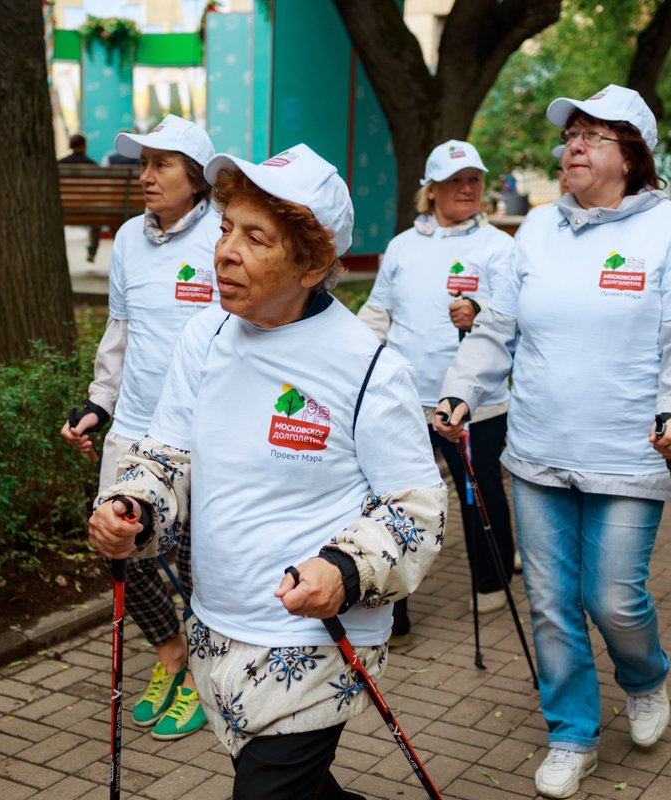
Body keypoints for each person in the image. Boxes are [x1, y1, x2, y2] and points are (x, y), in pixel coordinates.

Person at [86, 143, 447, 799]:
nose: (225, 251)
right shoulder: (205, 338)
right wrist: (135, 509)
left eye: (256, 238)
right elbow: (164, 459)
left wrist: (343, 569)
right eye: (226, 229)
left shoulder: (368, 367)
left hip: (314, 637)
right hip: (218, 623)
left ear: (311, 263)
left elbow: (416, 510)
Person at [434, 84, 671, 799]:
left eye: (594, 135)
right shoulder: (536, 229)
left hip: (630, 450)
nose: (575, 146)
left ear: (633, 154)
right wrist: (463, 387)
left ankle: (646, 678)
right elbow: (498, 325)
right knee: (553, 603)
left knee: (615, 598)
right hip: (535, 451)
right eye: (571, 136)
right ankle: (572, 734)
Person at [60, 114, 219, 741]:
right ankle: (173, 655)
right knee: (120, 549)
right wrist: (99, 402)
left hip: (202, 433)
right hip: (134, 428)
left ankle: (207, 676)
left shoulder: (222, 237)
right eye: (143, 163)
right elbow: (121, 333)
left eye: (162, 164)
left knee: (204, 563)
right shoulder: (128, 237)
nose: (145, 176)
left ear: (199, 178)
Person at [357, 139, 516, 646]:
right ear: (432, 191)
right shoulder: (403, 246)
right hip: (407, 398)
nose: (466, 188)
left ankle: (492, 582)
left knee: (480, 494)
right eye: (454, 181)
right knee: (397, 500)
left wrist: (481, 308)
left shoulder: (498, 246)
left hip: (475, 402)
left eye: (473, 179)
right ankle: (394, 612)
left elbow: (516, 315)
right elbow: (378, 313)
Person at [57, 133, 102, 263]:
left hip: (65, 208)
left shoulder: (60, 164)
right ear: (84, 146)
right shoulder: (92, 164)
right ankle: (92, 251)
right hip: (90, 209)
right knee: (96, 220)